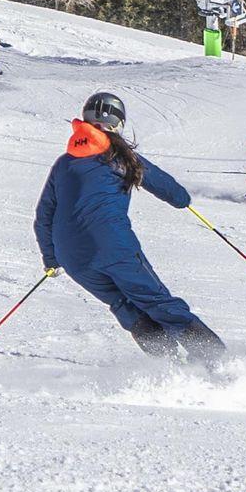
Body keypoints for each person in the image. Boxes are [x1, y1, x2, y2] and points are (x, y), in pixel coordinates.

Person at [34, 91, 226, 366]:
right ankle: (218, 361)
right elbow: (170, 190)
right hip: (113, 247)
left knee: (124, 306)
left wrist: (51, 258)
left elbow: (44, 216)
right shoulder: (121, 157)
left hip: (73, 259)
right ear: (118, 124)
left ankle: (169, 366)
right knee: (156, 302)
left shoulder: (64, 163)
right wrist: (183, 201)